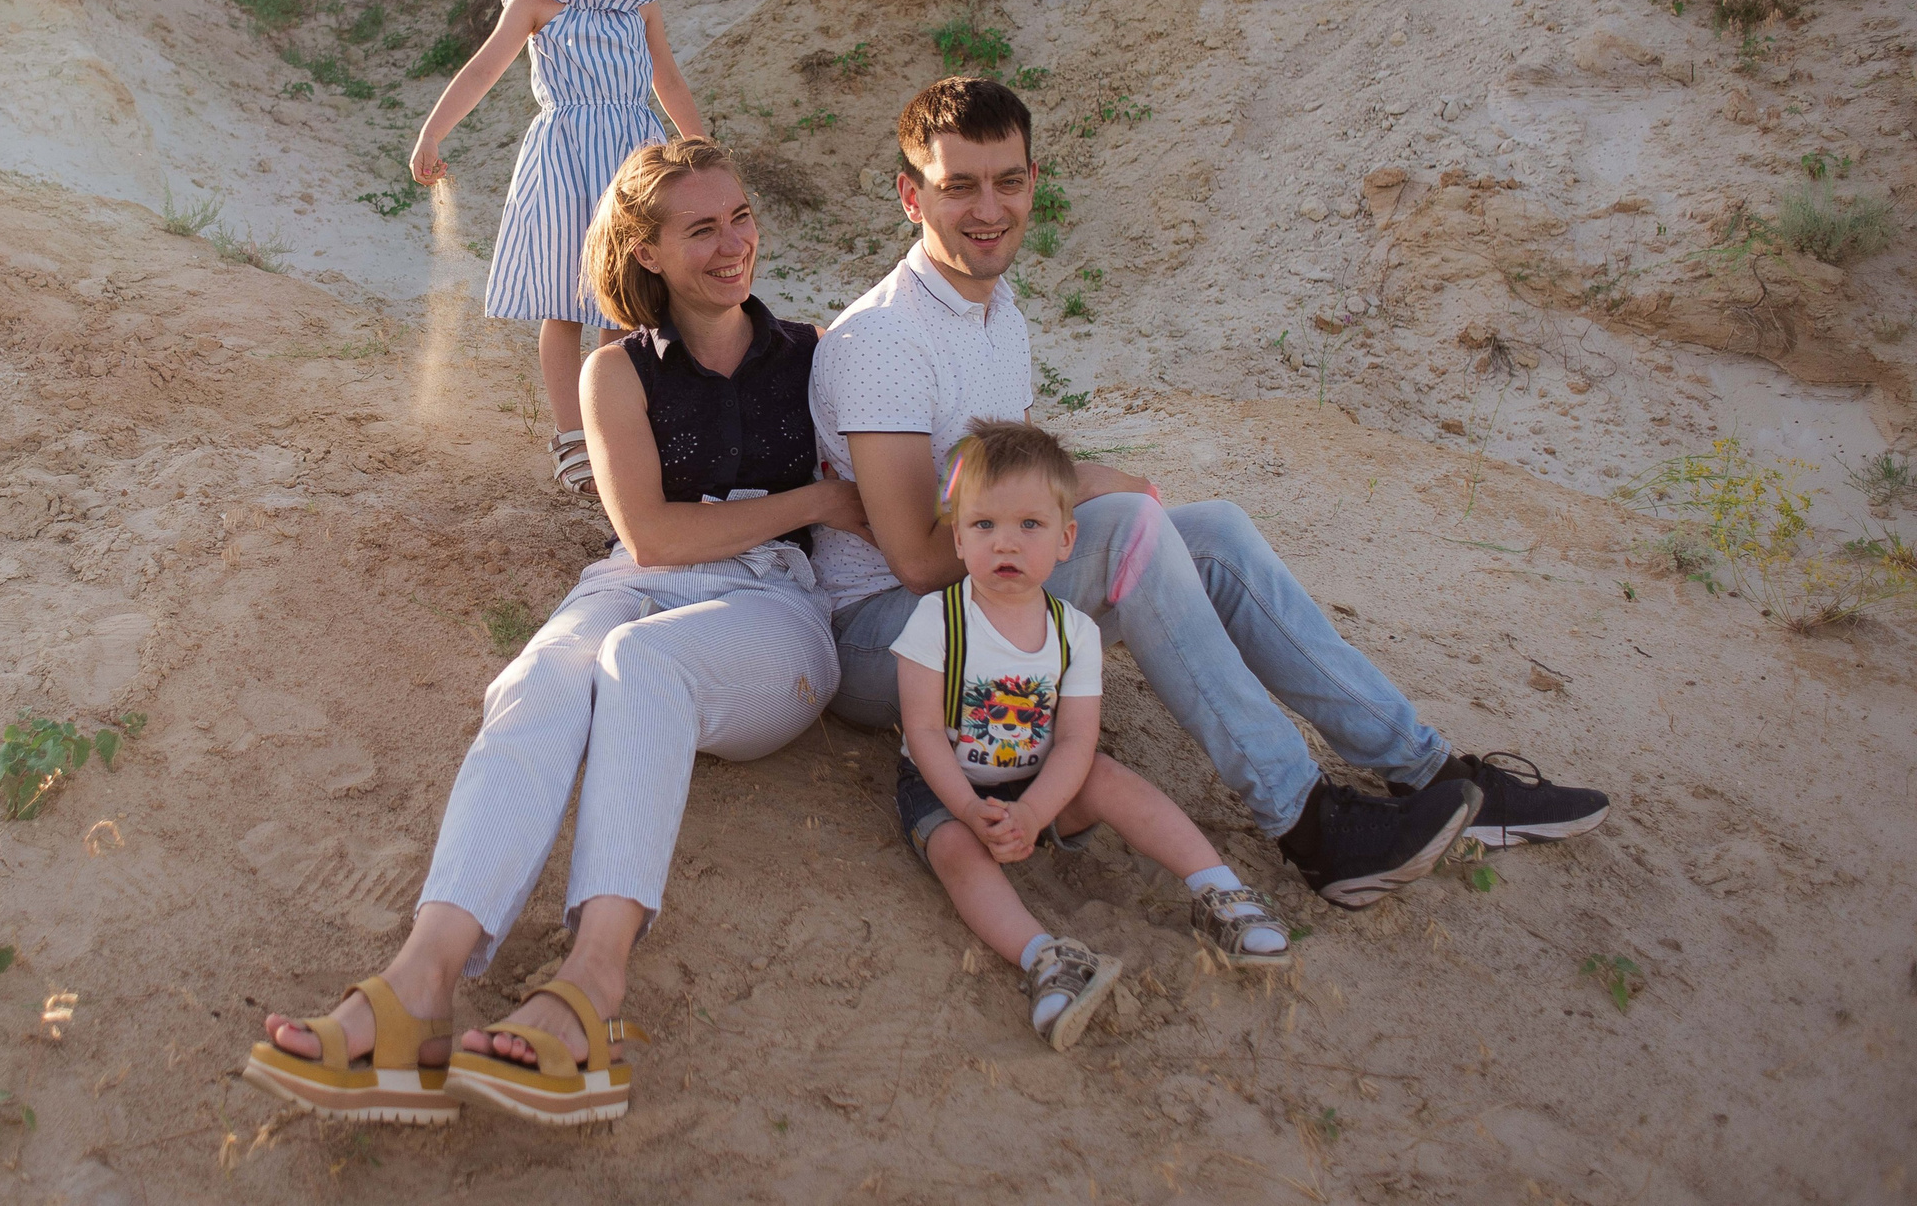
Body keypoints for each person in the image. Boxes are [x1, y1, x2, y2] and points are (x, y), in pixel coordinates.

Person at [814, 77, 1611, 909]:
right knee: (1128, 526)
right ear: (912, 196)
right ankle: (1310, 823)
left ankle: (1432, 770)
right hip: (887, 645)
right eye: (959, 187)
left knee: (1217, 533)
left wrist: (1084, 493)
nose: (989, 209)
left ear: (1033, 182)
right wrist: (1091, 486)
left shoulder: (997, 312)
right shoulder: (884, 338)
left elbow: (1009, 487)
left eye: (1007, 181)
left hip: (989, 606)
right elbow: (915, 559)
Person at [246, 138, 865, 1128]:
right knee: (537, 676)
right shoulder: (614, 370)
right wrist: (818, 499)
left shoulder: (817, 352)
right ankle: (419, 983)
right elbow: (651, 536)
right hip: (636, 577)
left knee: (642, 662)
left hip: (772, 604)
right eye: (702, 229)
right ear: (648, 250)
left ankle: (591, 984)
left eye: (740, 217)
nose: (733, 244)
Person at [894, 419, 1295, 1051]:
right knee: (954, 852)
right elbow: (921, 731)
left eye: (1030, 524)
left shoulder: (1073, 631)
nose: (1006, 542)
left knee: (1108, 776)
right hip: (948, 782)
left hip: (1042, 776)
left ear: (1066, 539)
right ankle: (1044, 958)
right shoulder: (936, 620)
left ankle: (1220, 892)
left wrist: (1034, 811)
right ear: (959, 537)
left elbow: (1077, 741)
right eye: (984, 524)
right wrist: (970, 809)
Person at [407, 0, 708, 495]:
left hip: (630, 164)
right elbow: (483, 69)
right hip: (565, 163)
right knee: (565, 303)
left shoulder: (640, 2)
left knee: (623, 304)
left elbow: (667, 79)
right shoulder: (538, 1)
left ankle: (613, 431)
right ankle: (573, 436)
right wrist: (432, 132)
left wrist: (700, 150)